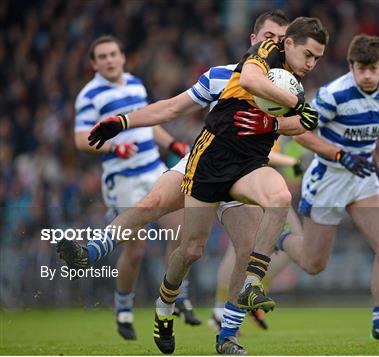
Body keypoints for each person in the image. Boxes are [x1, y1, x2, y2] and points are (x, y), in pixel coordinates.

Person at [57, 11, 305, 354]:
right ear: (253, 40)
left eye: (279, 39)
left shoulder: (288, 88)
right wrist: (123, 122)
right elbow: (172, 108)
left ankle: (226, 337)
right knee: (174, 231)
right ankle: (103, 262)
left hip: (247, 173)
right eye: (267, 36)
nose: (272, 44)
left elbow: (301, 126)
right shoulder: (223, 77)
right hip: (204, 163)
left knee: (246, 252)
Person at [249, 34, 379, 340]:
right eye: (361, 68)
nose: (367, 75)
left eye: (373, 68)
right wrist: (340, 155)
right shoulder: (333, 95)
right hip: (328, 178)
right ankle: (282, 239)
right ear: (351, 66)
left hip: (363, 177)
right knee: (314, 265)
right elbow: (301, 135)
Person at [69, 35, 198, 341]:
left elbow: (150, 123)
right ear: (94, 63)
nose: (110, 60)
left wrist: (172, 142)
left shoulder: (136, 84)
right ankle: (123, 308)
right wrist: (113, 148)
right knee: (136, 250)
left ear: (122, 56)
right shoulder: (90, 95)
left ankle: (177, 296)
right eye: (102, 56)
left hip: (153, 170)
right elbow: (79, 139)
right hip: (122, 178)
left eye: (114, 54)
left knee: (182, 234)